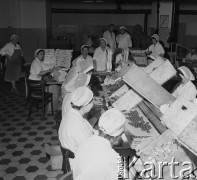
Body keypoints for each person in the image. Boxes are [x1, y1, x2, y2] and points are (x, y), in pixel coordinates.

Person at [73, 108, 143, 180]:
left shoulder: (87, 141)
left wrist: (135, 157)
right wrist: (136, 168)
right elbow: (128, 177)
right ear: (116, 137)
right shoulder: (111, 155)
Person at [58, 86, 96, 154]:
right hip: (80, 159)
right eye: (92, 100)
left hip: (78, 151)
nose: (94, 102)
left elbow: (90, 131)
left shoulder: (72, 113)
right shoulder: (77, 125)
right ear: (85, 105)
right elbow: (90, 148)